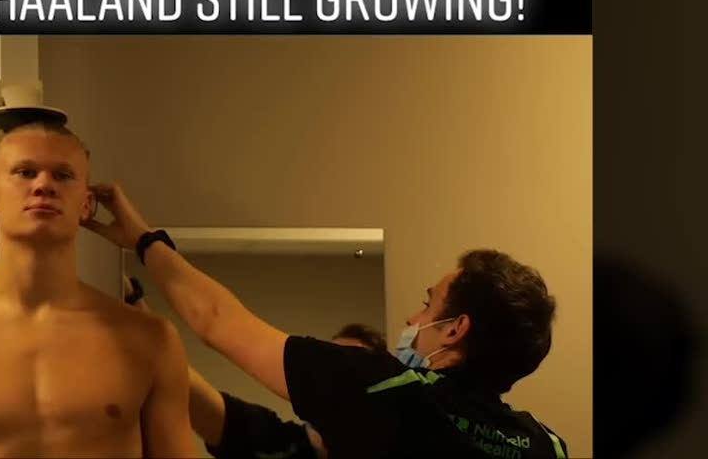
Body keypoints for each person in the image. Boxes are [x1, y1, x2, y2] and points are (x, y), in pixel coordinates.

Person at [84, 183, 571, 459]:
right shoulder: (545, 447)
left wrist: (143, 239)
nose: (412, 317)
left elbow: (215, 320)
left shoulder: (388, 390)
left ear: (455, 329)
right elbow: (213, 410)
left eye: (428, 304)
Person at [0, 122, 195, 458]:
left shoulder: (150, 339)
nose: (43, 185)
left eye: (63, 175)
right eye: (25, 172)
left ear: (86, 205)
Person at [125, 275, 387, 459]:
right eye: (328, 367)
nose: (334, 381)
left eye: (348, 372)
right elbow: (192, 394)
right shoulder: (279, 444)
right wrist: (135, 306)